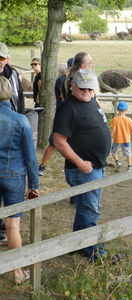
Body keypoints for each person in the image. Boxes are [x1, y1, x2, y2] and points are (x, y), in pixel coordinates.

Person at [53, 69, 115, 262]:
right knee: (90, 210)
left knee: (85, 208)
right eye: (83, 89)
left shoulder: (90, 99)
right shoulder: (68, 108)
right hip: (84, 170)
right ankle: (96, 254)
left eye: (91, 88)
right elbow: (58, 141)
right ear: (72, 86)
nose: (87, 92)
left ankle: (77, 245)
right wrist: (80, 163)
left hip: (95, 166)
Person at [0, 76, 40, 284]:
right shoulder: (20, 120)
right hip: (14, 176)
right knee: (12, 225)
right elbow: (30, 158)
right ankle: (17, 272)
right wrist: (34, 185)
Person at [0, 42, 25, 245]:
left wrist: (23, 125)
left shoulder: (12, 74)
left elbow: (19, 100)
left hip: (13, 126)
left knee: (12, 221)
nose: (0, 63)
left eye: (2, 58)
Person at [38, 58, 73, 176]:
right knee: (53, 142)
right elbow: (64, 97)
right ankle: (42, 165)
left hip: (72, 116)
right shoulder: (62, 80)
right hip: (62, 115)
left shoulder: (74, 80)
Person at [110, 101, 132, 172]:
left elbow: (113, 130)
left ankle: (117, 162)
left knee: (113, 152)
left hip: (117, 140)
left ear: (117, 109)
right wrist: (128, 134)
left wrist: (110, 136)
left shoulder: (115, 119)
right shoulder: (129, 120)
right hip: (126, 139)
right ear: (126, 110)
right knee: (128, 153)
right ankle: (129, 167)